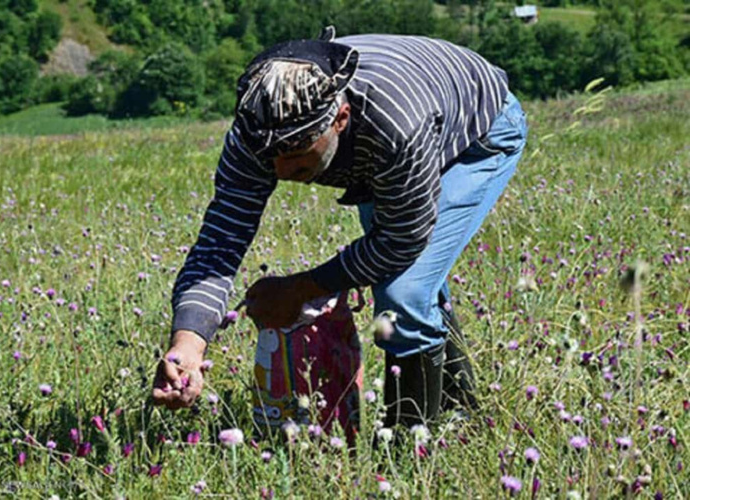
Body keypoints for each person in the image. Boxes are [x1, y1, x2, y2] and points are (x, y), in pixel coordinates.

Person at [152, 26, 528, 429]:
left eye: (296, 154)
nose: (281, 171)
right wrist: (186, 344)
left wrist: (301, 289)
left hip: (478, 131)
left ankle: (406, 456)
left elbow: (401, 240)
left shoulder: (396, 126)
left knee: (403, 291)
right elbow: (219, 244)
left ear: (340, 119)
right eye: (271, 157)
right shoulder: (257, 130)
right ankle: (460, 409)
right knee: (415, 286)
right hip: (387, 140)